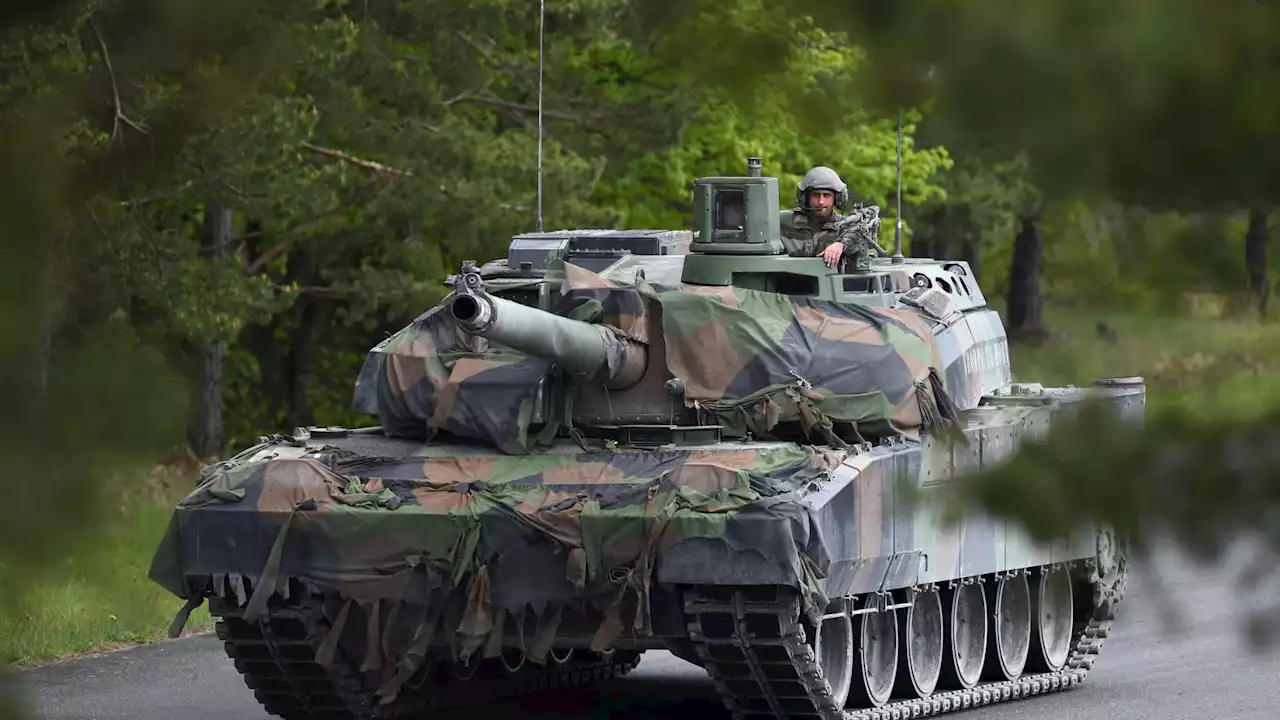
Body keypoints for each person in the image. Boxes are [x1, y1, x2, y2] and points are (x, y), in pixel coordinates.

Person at [780, 166, 883, 269]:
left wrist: (841, 244)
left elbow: (861, 234)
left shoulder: (845, 225)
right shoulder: (786, 220)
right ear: (805, 197)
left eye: (826, 195)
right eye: (816, 195)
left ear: (837, 199)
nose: (821, 202)